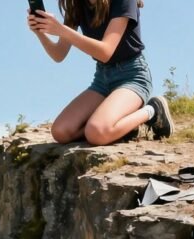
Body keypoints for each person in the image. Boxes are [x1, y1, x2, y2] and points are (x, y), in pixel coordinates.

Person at [28, 0, 174, 145]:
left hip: (133, 76)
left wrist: (62, 30)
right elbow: (58, 54)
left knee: (96, 133)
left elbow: (105, 52)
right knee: (61, 132)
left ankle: (153, 110)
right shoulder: (77, 5)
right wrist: (39, 32)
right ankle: (121, 126)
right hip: (102, 80)